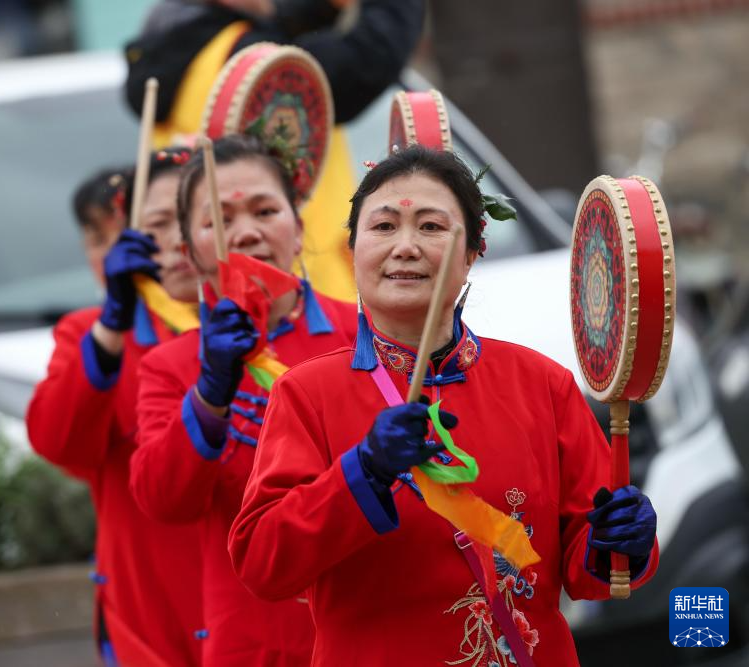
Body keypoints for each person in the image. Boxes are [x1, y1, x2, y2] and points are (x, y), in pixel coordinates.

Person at [229, 145, 661, 666]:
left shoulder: (544, 384)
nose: (405, 247)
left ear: (473, 250)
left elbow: (590, 572)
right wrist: (363, 472)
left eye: (431, 227)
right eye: (383, 227)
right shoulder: (306, 393)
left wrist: (620, 540)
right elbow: (263, 565)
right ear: (352, 250)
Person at [130, 134, 357, 666]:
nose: (247, 232)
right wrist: (210, 394)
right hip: (255, 644)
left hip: (369, 626)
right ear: (190, 252)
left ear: (298, 229)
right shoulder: (171, 367)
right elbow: (164, 501)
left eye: (265, 211)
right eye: (219, 220)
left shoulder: (365, 335)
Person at [27, 149, 205, 666]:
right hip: (149, 605)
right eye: (158, 223)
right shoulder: (89, 332)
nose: (176, 238)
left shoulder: (264, 325)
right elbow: (57, 442)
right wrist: (111, 327)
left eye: (188, 218)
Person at [125, 0, 427, 302]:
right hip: (300, 291)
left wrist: (324, 9)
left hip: (218, 292)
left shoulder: (185, 51)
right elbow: (366, 60)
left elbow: (283, 22)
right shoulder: (253, 57)